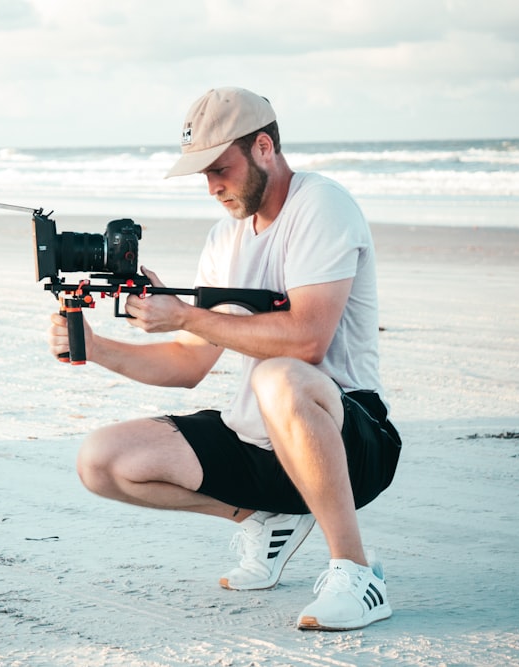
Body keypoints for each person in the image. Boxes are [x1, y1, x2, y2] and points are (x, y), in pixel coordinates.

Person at [47, 87, 402, 631]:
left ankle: (357, 574)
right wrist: (96, 348)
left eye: (221, 168)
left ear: (264, 147)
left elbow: (307, 340)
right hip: (261, 444)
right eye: (203, 174)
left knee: (282, 376)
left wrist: (186, 314)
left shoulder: (321, 206)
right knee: (101, 460)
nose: (213, 186)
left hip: (351, 438)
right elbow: (190, 365)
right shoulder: (224, 238)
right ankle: (267, 519)